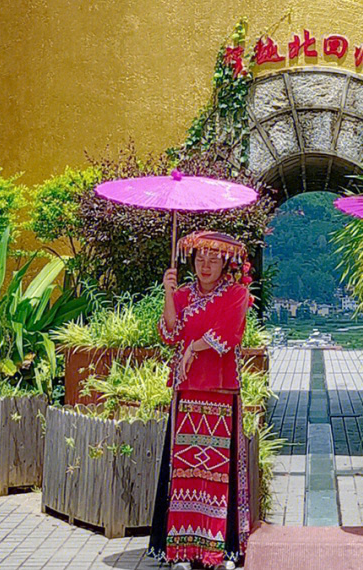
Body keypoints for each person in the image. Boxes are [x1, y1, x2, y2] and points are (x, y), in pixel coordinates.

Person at [148, 229, 251, 568]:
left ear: (226, 263)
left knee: (216, 474)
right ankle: (181, 548)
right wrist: (168, 292)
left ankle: (219, 549)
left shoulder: (236, 294)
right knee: (186, 470)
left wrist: (194, 346)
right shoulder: (183, 295)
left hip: (220, 389)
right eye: (199, 258)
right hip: (187, 390)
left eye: (213, 259)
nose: (205, 265)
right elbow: (169, 333)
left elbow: (230, 333)